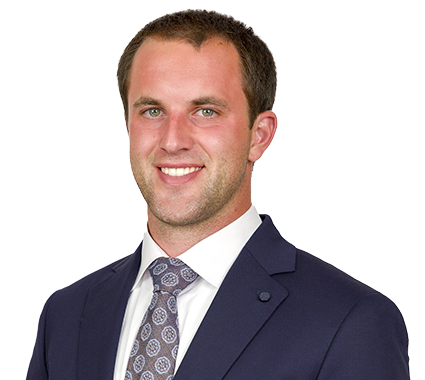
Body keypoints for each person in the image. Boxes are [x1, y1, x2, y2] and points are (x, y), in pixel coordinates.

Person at [27, 9, 410, 380]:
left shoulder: (350, 321)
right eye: (152, 111)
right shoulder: (67, 314)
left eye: (205, 111)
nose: (173, 140)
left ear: (258, 137)